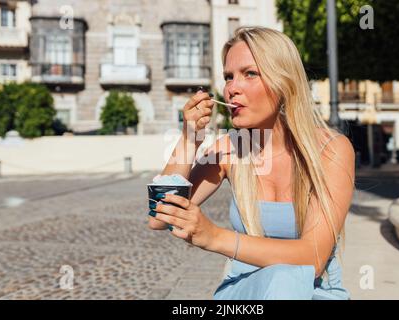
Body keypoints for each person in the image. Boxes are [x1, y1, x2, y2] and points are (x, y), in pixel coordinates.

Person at [148, 26, 355, 300]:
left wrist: (215, 237)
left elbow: (313, 257)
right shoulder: (230, 150)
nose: (232, 88)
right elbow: (160, 217)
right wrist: (189, 139)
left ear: (284, 82)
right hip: (246, 294)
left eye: (250, 74)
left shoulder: (331, 150)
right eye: (228, 77)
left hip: (316, 293)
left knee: (284, 278)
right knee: (281, 280)